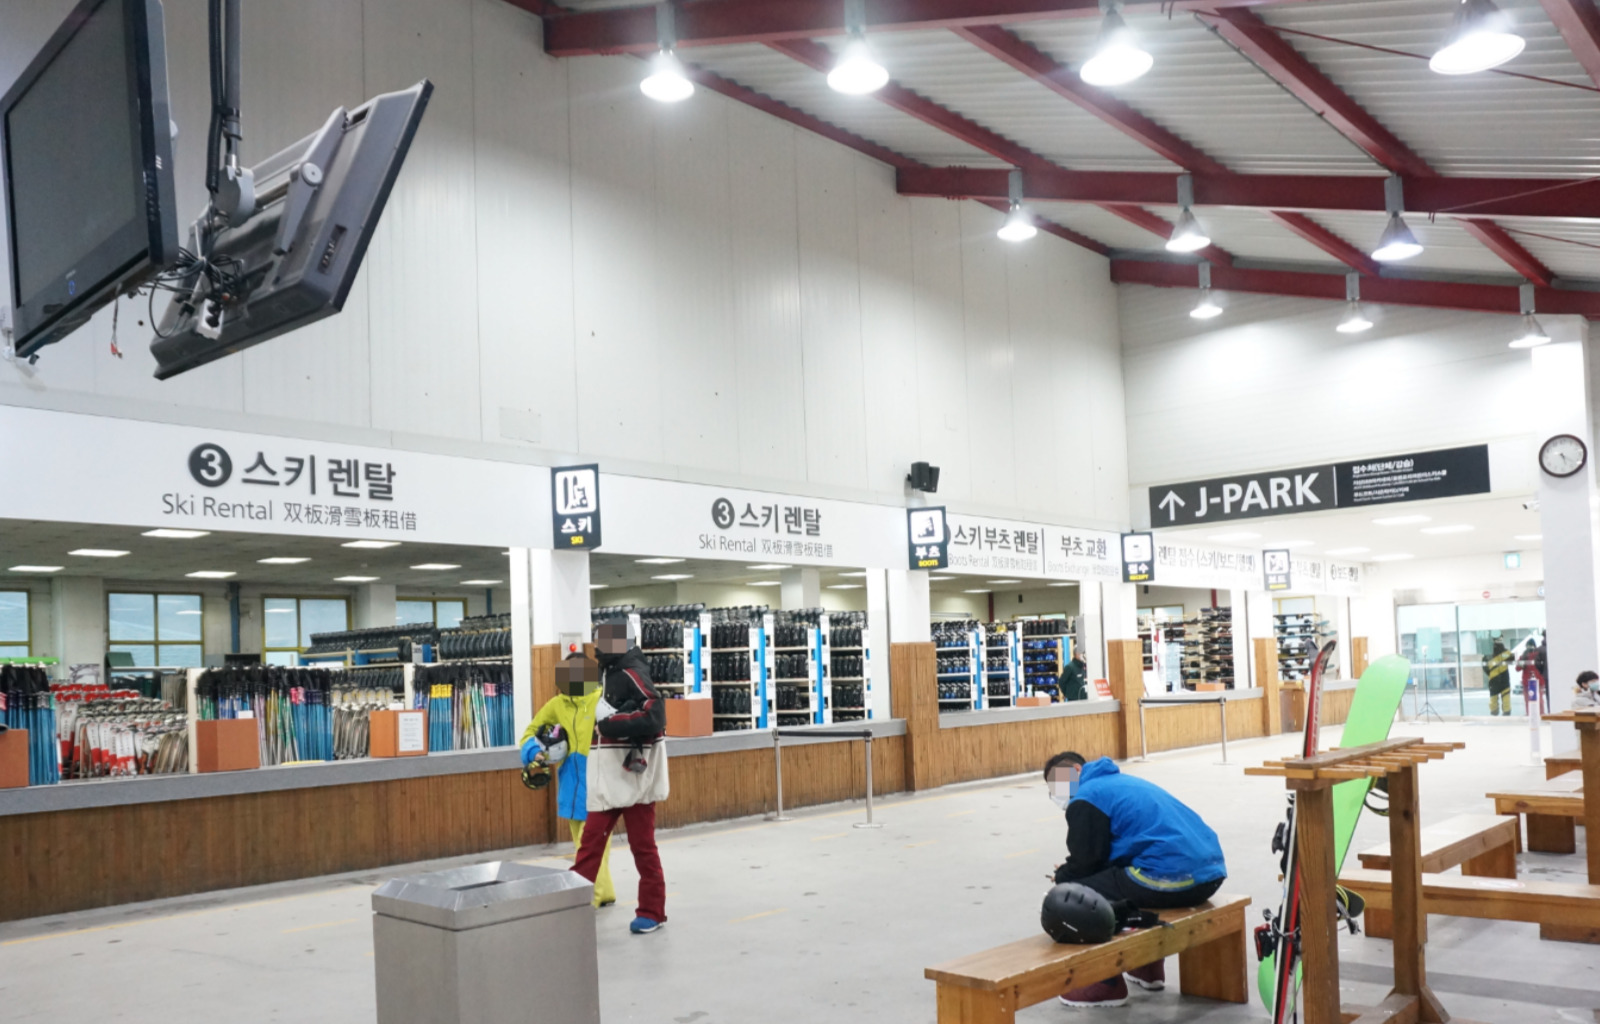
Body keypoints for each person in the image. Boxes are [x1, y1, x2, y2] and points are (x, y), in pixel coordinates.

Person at [1043, 750, 1227, 1008]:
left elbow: (1086, 862)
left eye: (1057, 783)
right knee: (1120, 880)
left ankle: (1104, 983)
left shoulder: (1086, 797)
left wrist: (1062, 875)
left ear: (1075, 771)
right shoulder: (1120, 784)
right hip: (1208, 874)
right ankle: (1146, 967)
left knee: (1076, 895)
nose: (1057, 792)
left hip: (1171, 875)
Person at [572, 621, 670, 935]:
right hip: (608, 776)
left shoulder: (631, 672)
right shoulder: (610, 671)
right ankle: (571, 909)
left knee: (642, 847)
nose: (598, 646)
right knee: (589, 847)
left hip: (631, 777)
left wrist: (610, 726)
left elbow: (655, 714)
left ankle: (652, 911)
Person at [520, 652, 614, 907]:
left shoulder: (602, 701)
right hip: (571, 788)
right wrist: (534, 752)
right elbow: (529, 732)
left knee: (590, 844)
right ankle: (603, 892)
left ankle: (592, 896)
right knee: (585, 844)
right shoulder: (556, 705)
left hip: (600, 786)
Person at [1484, 638, 1514, 716]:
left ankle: (1494, 711)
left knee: (1493, 696)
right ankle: (1506, 711)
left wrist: (1490, 673)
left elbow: (1484, 667)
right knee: (1506, 695)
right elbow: (1512, 658)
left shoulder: (1488, 655)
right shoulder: (1505, 653)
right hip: (1504, 678)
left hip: (1493, 679)